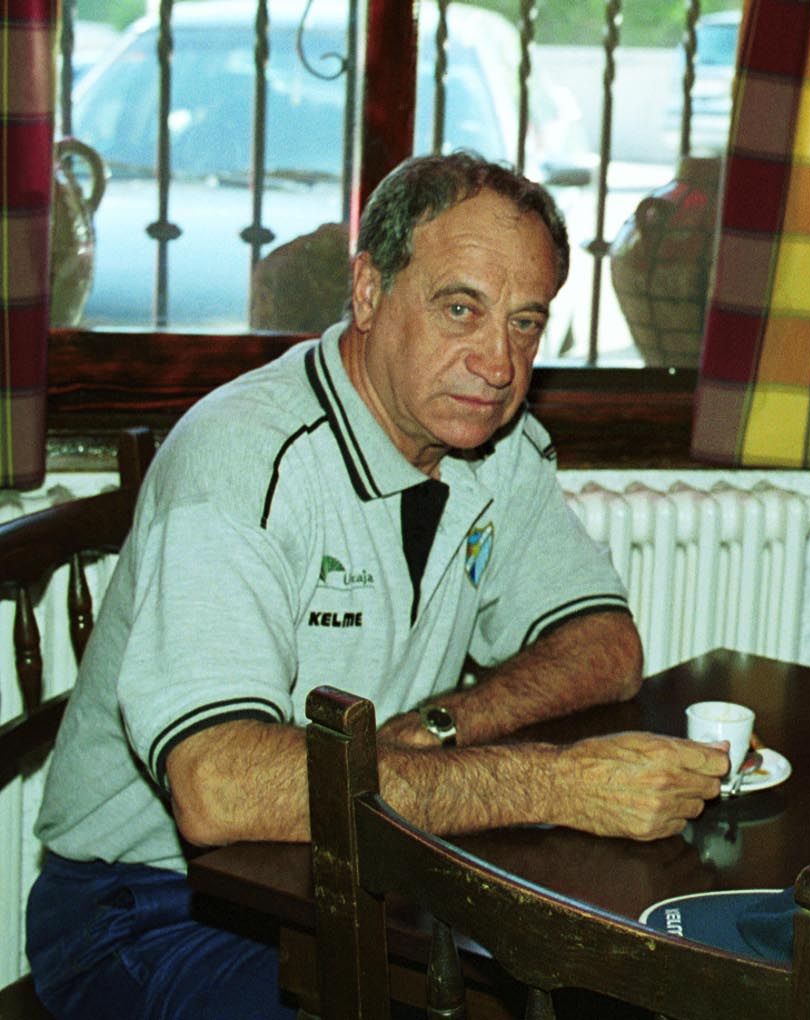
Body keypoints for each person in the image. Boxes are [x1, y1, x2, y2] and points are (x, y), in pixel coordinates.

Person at [28, 152, 729, 1020]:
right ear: (367, 292)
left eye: (523, 323)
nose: (497, 364)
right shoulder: (243, 465)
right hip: (150, 910)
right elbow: (218, 788)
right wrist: (557, 784)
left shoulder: (493, 447)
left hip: (360, 870)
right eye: (459, 309)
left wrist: (442, 726)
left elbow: (603, 646)